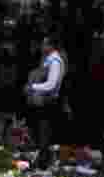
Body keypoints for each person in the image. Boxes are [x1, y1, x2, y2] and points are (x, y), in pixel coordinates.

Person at [25, 35, 67, 170]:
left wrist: (33, 87)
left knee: (45, 132)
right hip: (45, 102)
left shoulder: (55, 61)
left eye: (44, 44)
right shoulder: (48, 60)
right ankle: (42, 159)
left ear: (51, 46)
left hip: (49, 102)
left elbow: (51, 84)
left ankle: (44, 161)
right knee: (42, 131)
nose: (42, 47)